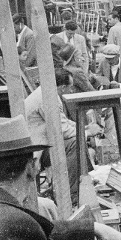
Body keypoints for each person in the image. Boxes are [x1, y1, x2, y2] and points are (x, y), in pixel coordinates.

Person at [24, 68, 100, 205]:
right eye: (69, 88)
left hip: (40, 142)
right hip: (34, 147)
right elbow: (61, 130)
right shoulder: (46, 98)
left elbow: (62, 121)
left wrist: (82, 128)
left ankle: (79, 182)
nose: (70, 91)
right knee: (76, 143)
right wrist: (87, 133)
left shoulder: (47, 92)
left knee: (78, 139)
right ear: (62, 87)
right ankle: (70, 193)